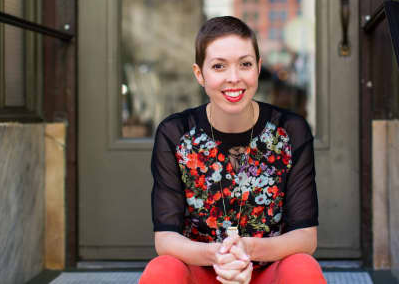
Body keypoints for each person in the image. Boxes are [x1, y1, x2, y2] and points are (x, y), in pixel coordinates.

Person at [139, 16, 326, 284]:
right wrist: (217, 255)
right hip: (202, 270)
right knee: (163, 270)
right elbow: (165, 239)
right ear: (199, 74)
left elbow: (305, 238)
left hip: (267, 273)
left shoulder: (290, 131)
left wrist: (247, 250)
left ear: (258, 68)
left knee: (302, 268)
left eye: (245, 64)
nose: (234, 78)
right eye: (218, 66)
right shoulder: (176, 134)